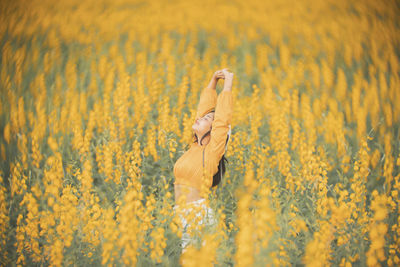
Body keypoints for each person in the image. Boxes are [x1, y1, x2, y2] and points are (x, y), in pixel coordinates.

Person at [173, 68, 234, 252]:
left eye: (207, 118)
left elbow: (222, 119)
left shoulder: (213, 150)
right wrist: (213, 81)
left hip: (197, 215)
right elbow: (203, 109)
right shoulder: (194, 146)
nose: (199, 118)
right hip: (180, 213)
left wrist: (228, 84)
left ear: (213, 129)